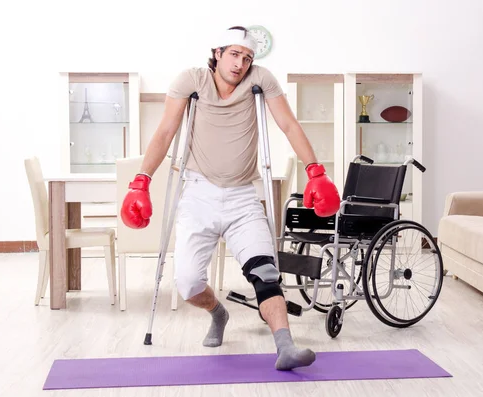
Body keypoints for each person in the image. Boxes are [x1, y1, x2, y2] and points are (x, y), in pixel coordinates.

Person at [120, 26, 340, 371]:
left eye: (247, 57)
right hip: (197, 195)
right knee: (189, 282)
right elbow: (165, 132)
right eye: (235, 54)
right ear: (218, 52)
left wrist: (315, 171)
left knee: (265, 272)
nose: (241, 63)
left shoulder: (261, 80)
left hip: (242, 196)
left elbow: (289, 125)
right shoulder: (190, 81)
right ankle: (218, 313)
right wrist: (140, 182)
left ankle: (286, 347)